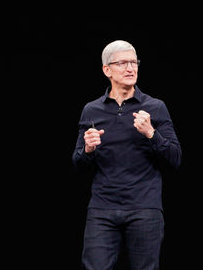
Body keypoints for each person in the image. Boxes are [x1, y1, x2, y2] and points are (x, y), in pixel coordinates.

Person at [72, 40, 181, 270]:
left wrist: (152, 134)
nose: (131, 68)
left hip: (144, 207)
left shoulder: (155, 107)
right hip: (102, 208)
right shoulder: (92, 110)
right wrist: (88, 149)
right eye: (123, 63)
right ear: (107, 70)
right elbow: (78, 164)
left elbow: (175, 158)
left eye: (134, 62)